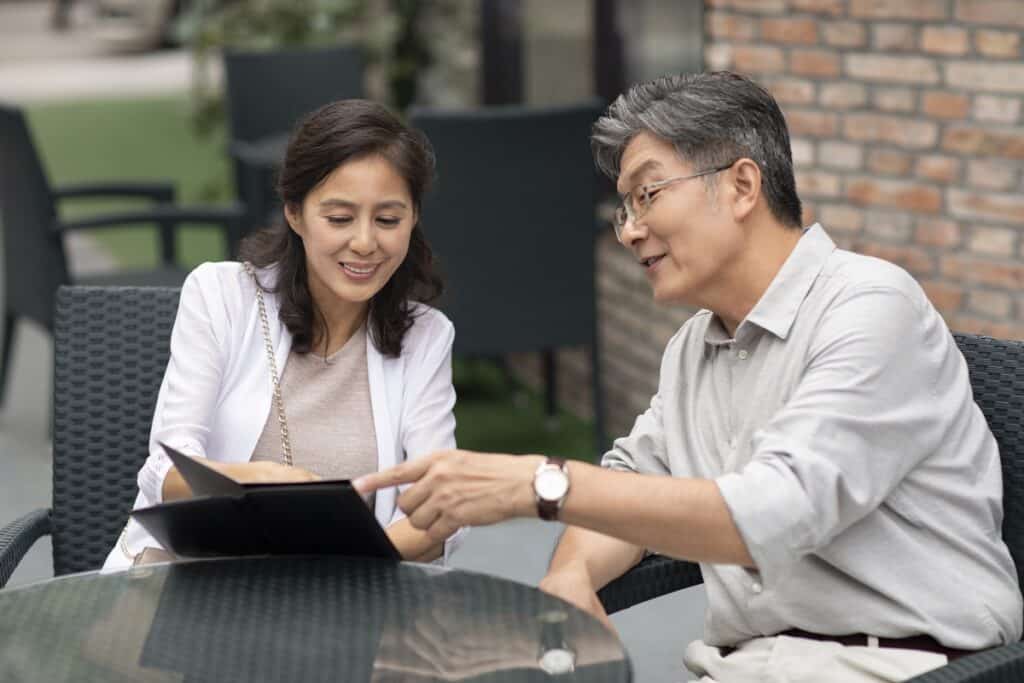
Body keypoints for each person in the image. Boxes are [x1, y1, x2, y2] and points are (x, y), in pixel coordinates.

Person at [355, 72, 1024, 682]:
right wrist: (570, 571)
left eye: (645, 193)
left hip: (902, 665)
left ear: (740, 185)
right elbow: (628, 486)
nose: (629, 230)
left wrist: (539, 482)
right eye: (623, 206)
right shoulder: (693, 348)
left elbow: (774, 513)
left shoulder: (872, 309)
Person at [105, 99, 460, 569]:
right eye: (338, 218)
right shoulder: (221, 295)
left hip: (352, 598)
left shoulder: (426, 338)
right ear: (294, 214)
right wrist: (259, 482)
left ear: (413, 219)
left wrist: (345, 562)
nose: (365, 242)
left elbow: (438, 510)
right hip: (193, 582)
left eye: (388, 220)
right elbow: (164, 471)